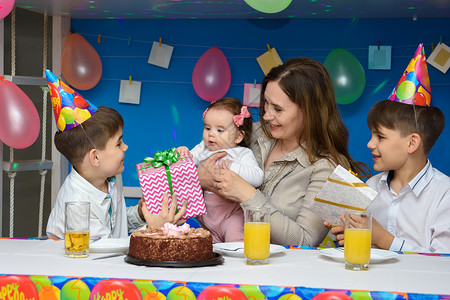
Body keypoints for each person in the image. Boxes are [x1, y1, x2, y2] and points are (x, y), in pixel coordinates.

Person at [196, 58, 369, 247]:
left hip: (281, 273)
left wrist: (247, 195)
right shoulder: (247, 134)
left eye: (277, 109)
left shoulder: (332, 168)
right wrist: (200, 177)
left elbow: (306, 241)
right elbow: (185, 166)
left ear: (310, 111)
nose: (266, 115)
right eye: (266, 104)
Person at [45, 70, 186, 239]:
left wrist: (140, 214)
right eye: (119, 143)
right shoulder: (77, 205)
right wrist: (152, 228)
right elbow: (108, 250)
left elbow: (112, 224)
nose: (126, 147)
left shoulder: (110, 177)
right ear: (95, 157)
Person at [330, 99, 449, 253]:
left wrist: (383, 239)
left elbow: (444, 261)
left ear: (412, 143)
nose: (370, 144)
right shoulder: (371, 186)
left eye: (380, 137)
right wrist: (350, 236)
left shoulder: (444, 194)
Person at [177, 97, 264, 242]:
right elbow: (186, 165)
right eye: (207, 128)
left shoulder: (242, 153)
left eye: (219, 130)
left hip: (231, 216)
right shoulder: (203, 148)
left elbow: (258, 177)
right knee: (208, 253)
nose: (211, 134)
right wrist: (183, 153)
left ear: (238, 136)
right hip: (205, 219)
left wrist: (233, 167)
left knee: (235, 246)